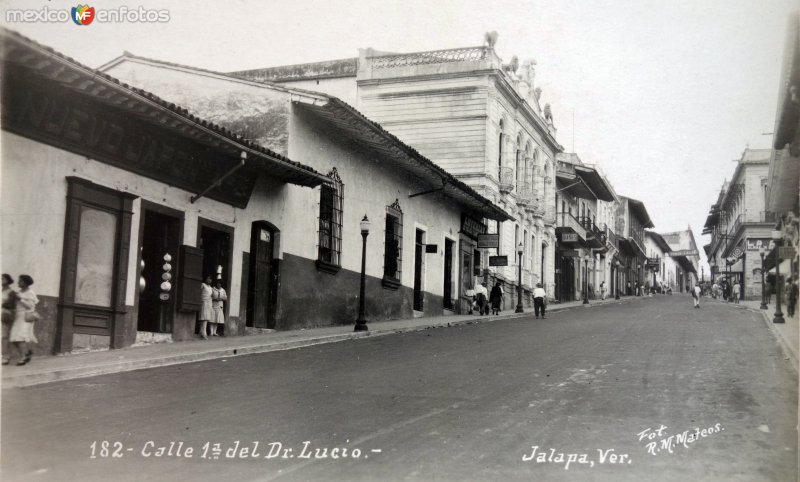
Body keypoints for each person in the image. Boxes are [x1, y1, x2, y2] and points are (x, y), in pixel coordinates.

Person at [9, 274, 38, 365]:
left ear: (26, 283)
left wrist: (20, 299)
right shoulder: (19, 292)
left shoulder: (30, 293)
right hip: (18, 317)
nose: (18, 282)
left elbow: (31, 306)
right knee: (14, 338)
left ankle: (24, 357)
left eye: (20, 281)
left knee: (19, 337)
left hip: (25, 317)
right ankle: (27, 352)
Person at [2, 274, 16, 365]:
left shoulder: (11, 292)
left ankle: (6, 357)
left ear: (7, 280)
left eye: (2, 278)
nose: (0, 280)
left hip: (5, 314)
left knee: (4, 336)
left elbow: (12, 305)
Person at [198, 275, 213, 340]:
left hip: (209, 302)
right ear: (205, 279)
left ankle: (202, 332)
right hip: (203, 302)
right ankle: (203, 333)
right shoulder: (202, 285)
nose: (209, 280)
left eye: (210, 279)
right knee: (203, 317)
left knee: (206, 318)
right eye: (208, 278)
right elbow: (198, 292)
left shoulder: (210, 287)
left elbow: (211, 295)